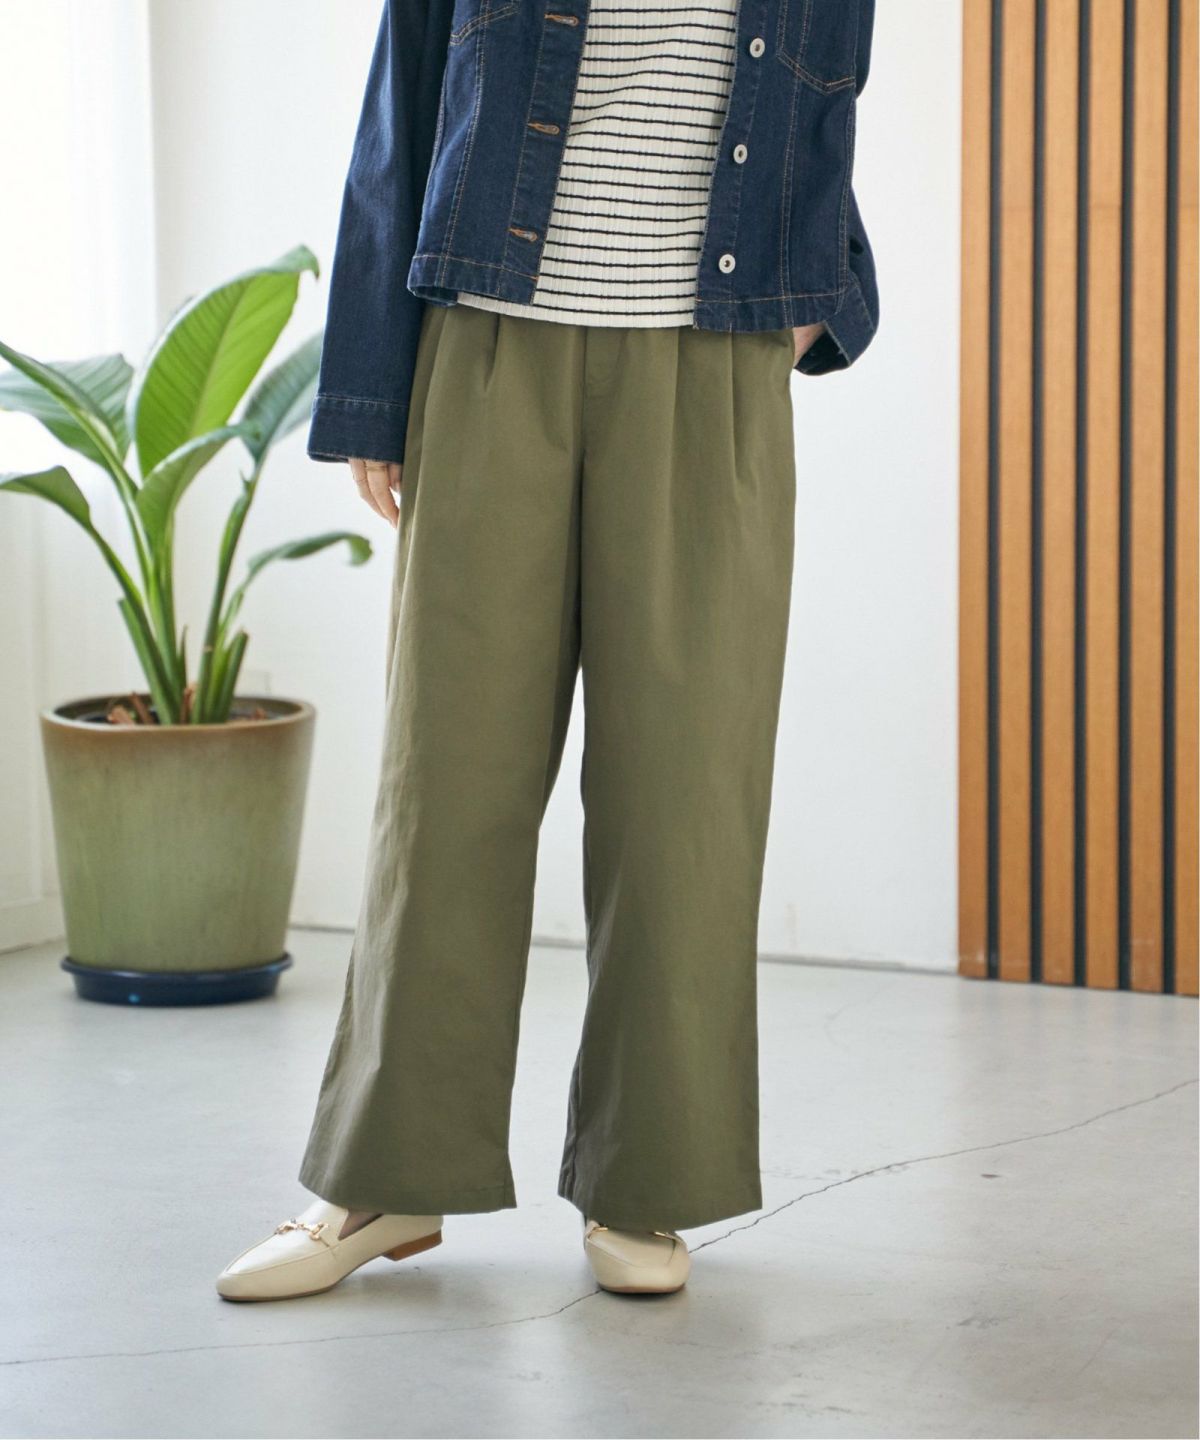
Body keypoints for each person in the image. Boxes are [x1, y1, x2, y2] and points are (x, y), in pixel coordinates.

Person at [217, 0, 877, 1302]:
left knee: (683, 796)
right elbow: (400, 116)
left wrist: (822, 303)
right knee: (446, 780)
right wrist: (373, 390)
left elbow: (820, 116)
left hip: (709, 360)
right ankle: (384, 1177)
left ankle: (651, 1180)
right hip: (488, 344)